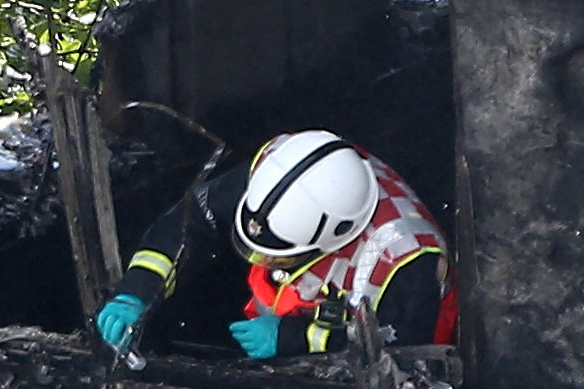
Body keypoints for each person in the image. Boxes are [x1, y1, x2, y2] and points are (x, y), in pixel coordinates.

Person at [95, 129, 457, 362]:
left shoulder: (404, 259)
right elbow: (190, 223)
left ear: (332, 241)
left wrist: (298, 339)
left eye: (278, 255)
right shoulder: (280, 167)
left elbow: (401, 353)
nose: (264, 262)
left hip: (401, 341)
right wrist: (138, 290)